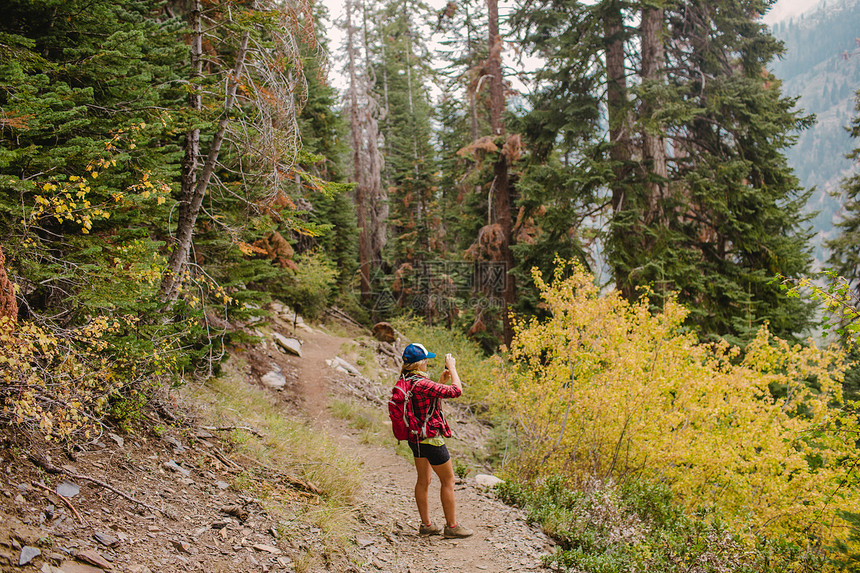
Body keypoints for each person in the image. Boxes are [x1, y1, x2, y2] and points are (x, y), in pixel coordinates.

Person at [399, 342, 474, 539]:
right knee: (448, 480)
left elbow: (428, 401)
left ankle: (426, 525)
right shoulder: (422, 383)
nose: (427, 364)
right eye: (426, 361)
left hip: (415, 438)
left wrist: (441, 380)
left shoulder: (406, 380)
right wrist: (453, 368)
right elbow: (456, 391)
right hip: (431, 439)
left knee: (424, 480)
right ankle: (451, 526)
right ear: (420, 363)